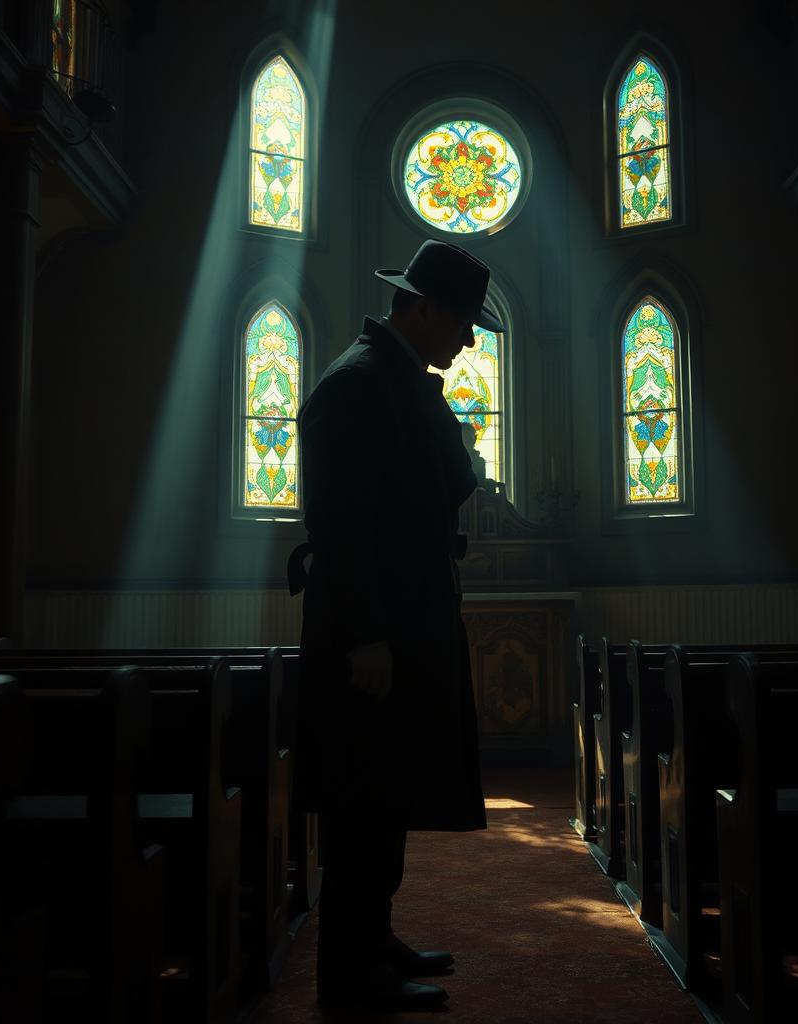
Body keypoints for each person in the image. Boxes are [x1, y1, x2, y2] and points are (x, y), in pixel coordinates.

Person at [289, 239, 504, 1011]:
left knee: (384, 802)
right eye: (464, 323)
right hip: (371, 635)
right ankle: (351, 975)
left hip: (399, 624)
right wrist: (368, 636)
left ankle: (371, 941)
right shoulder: (359, 384)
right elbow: (340, 524)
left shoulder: (397, 379)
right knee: (361, 808)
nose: (470, 340)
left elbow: (444, 483)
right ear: (420, 308)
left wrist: (436, 404)